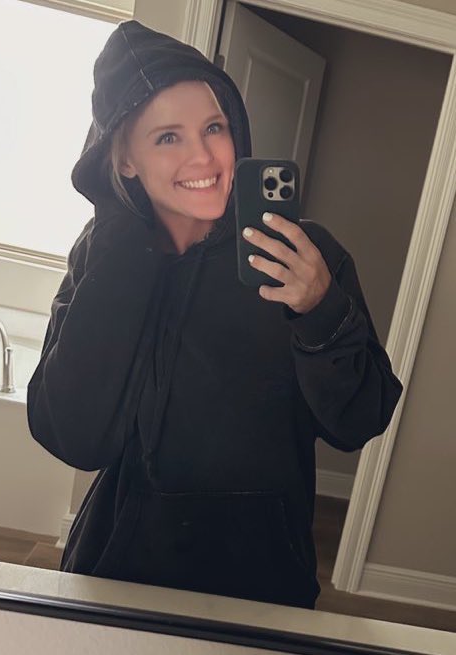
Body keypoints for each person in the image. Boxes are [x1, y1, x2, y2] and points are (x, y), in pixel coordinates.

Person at [26, 19, 403, 610]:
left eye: (213, 127)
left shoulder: (304, 255)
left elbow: (361, 419)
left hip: (262, 580)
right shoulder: (101, 253)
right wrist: (120, 252)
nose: (203, 156)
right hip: (118, 572)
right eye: (167, 137)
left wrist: (319, 309)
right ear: (124, 159)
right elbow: (73, 434)